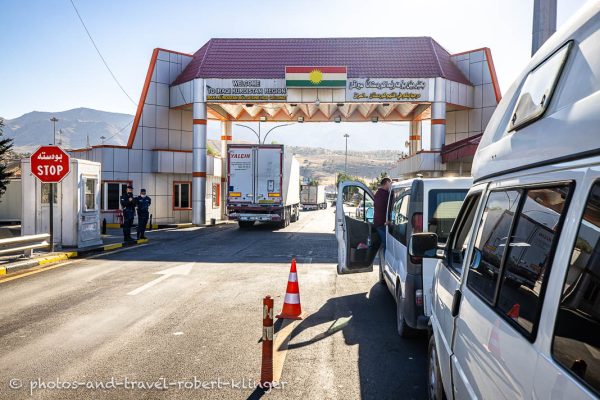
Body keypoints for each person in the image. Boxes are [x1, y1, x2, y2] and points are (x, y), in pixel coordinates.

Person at [373, 177, 392, 251]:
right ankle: (386, 260)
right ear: (387, 183)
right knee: (387, 244)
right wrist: (389, 221)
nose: (390, 185)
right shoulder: (384, 195)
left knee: (385, 244)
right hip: (382, 224)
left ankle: (384, 260)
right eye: (390, 183)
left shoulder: (378, 193)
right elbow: (385, 209)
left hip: (379, 223)